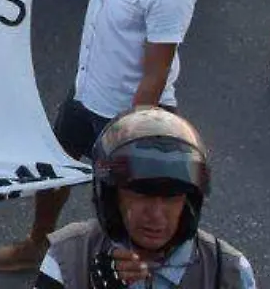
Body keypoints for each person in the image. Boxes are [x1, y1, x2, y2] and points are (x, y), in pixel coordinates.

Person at [0, 0, 198, 274]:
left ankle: (124, 273)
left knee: (120, 201)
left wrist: (129, 136)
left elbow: (156, 72)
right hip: (85, 95)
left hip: (127, 113)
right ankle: (37, 244)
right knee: (53, 174)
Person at [35, 108, 255, 289]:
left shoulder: (229, 272)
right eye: (141, 195)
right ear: (112, 199)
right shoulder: (68, 256)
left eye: (171, 198)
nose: (156, 214)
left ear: (189, 203)